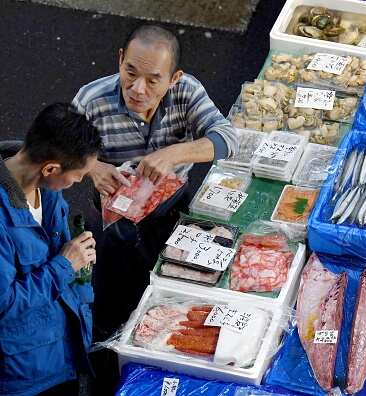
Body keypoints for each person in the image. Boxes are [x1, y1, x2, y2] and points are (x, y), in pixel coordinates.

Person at [71, 25, 238, 339]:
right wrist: (93, 167)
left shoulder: (187, 91)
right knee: (111, 302)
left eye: (152, 80)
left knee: (175, 296)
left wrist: (173, 154)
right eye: (130, 73)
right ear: (120, 60)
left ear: (174, 78)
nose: (137, 89)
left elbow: (228, 138)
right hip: (113, 216)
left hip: (170, 209)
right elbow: (60, 149)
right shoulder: (92, 100)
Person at [0, 103, 100, 396]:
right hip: (25, 375)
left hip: (62, 352)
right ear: (51, 168)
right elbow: (4, 306)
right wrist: (65, 266)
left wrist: (78, 262)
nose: (79, 182)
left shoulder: (49, 191)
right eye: (79, 175)